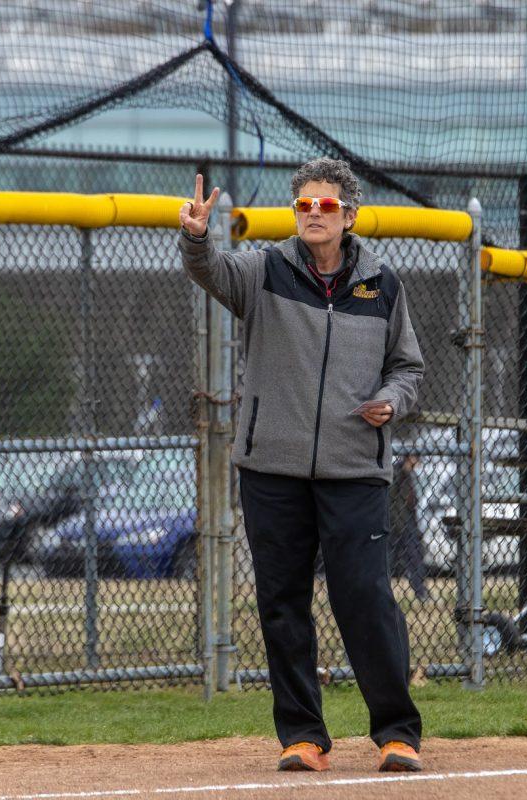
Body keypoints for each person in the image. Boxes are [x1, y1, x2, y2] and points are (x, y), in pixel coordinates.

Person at [178, 158, 425, 773]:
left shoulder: (383, 286)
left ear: (350, 216)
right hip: (272, 469)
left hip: (354, 471)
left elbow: (409, 369)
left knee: (365, 598)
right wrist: (195, 236)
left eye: (326, 205)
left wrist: (391, 402)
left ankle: (397, 733)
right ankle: (302, 736)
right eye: (304, 205)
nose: (314, 213)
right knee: (281, 602)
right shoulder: (263, 270)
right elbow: (209, 269)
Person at [389, 454, 428, 601]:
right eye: (415, 458)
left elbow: (413, 501)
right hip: (395, 524)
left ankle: (420, 592)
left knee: (416, 557)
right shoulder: (397, 472)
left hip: (408, 524)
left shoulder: (409, 475)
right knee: (388, 560)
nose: (417, 462)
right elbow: (391, 498)